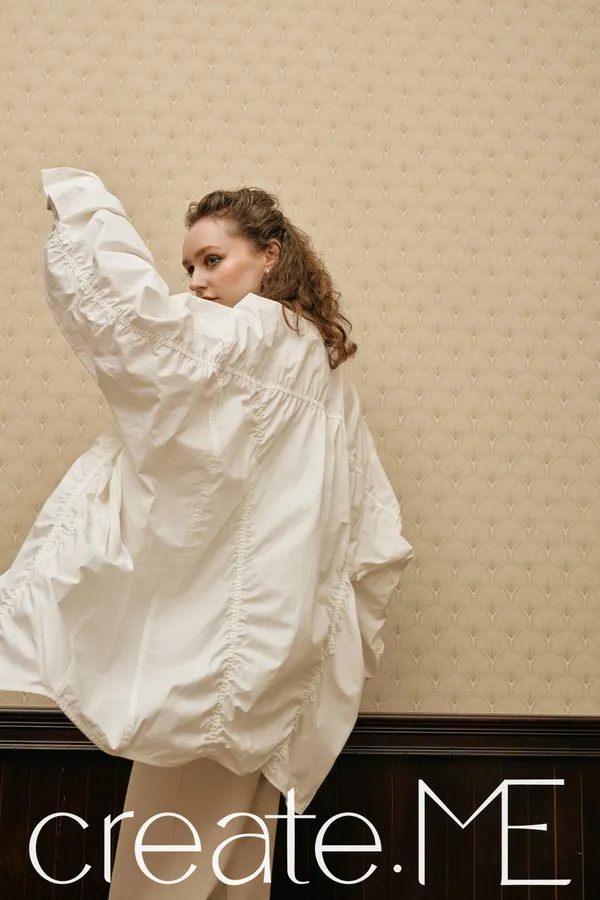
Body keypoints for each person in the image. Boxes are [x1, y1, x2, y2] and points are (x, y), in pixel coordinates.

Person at [0, 169, 414, 897]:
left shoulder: (256, 333)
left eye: (212, 260)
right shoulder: (322, 369)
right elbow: (374, 535)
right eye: (188, 265)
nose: (194, 281)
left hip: (217, 660)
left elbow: (141, 330)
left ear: (271, 256)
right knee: (234, 876)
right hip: (283, 662)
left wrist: (85, 206)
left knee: (160, 875)